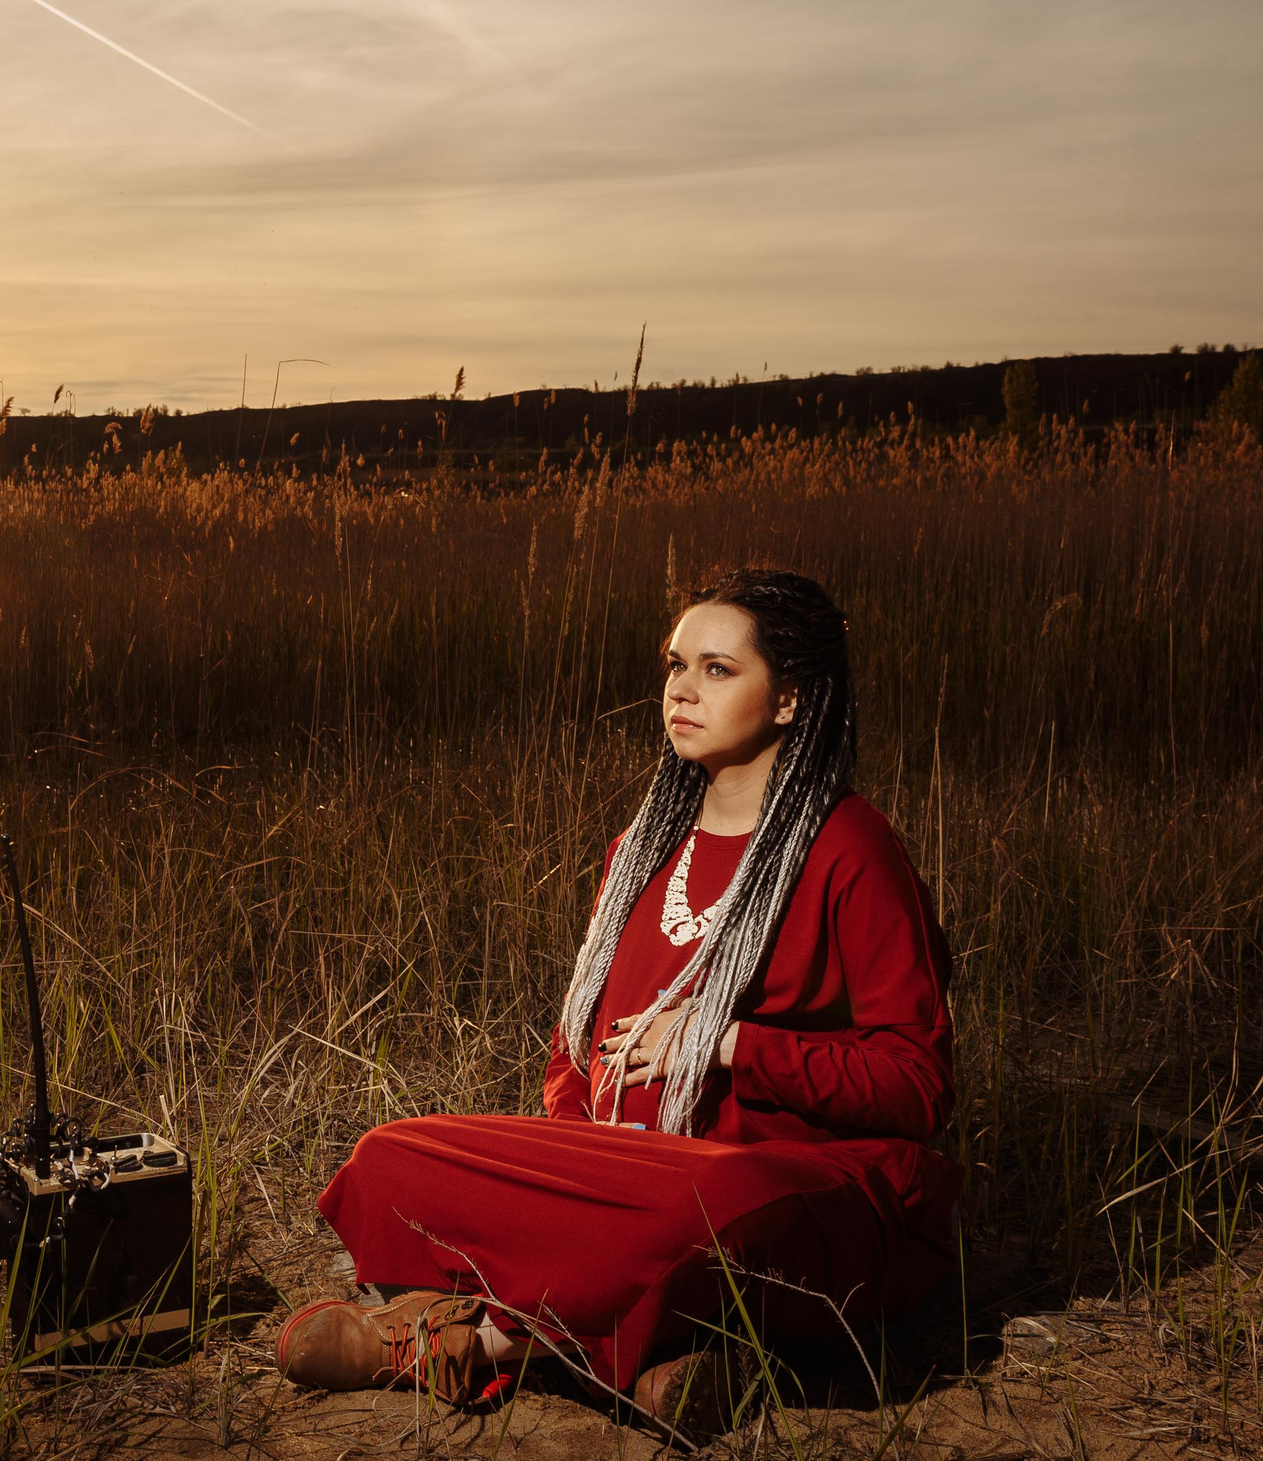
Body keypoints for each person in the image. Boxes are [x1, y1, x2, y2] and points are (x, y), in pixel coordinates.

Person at [277, 568, 959, 1438]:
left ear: (788, 699)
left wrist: (725, 1044)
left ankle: (471, 1342)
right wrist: (583, 1137)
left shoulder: (850, 846)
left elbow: (916, 1085)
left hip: (787, 1190)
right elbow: (576, 1051)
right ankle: (668, 1352)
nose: (681, 688)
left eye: (717, 669)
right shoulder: (640, 850)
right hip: (620, 1170)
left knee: (695, 1211)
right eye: (676, 665)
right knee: (387, 1156)